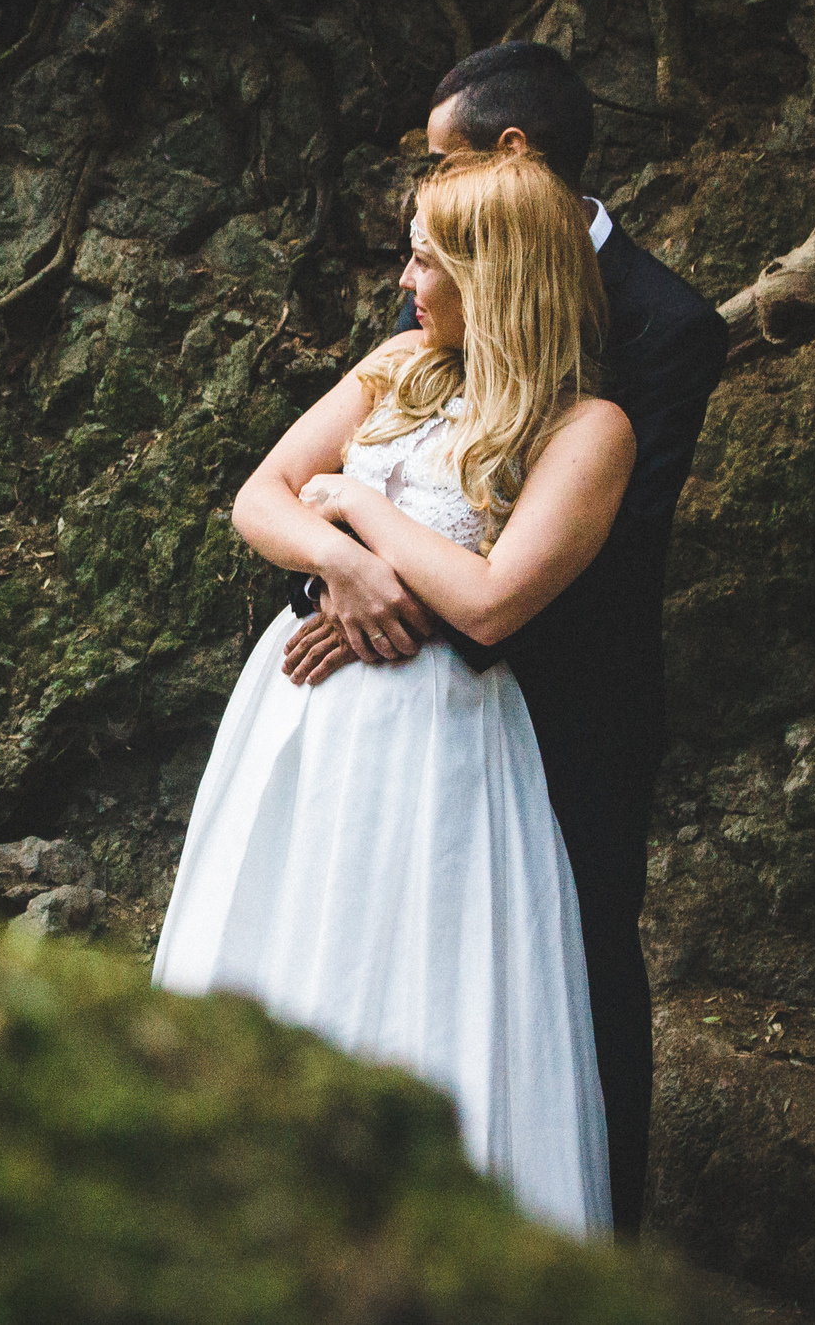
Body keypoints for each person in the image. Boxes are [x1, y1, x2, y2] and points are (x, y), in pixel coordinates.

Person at [280, 41, 731, 1238]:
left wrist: (405, 605)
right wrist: (341, 582)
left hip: (564, 694)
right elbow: (371, 450)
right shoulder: (443, 270)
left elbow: (609, 541)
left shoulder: (666, 324)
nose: (413, 267)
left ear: (511, 157)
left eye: (442, 168)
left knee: (568, 963)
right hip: (386, 672)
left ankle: (585, 1235)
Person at [151, 145, 636, 1238]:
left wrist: (356, 515)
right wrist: (341, 567)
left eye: (425, 261)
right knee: (274, 952)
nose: (404, 282)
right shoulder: (395, 364)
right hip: (297, 720)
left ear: (496, 275)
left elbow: (490, 599)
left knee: (414, 984)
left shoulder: (587, 431)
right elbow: (258, 496)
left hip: (438, 742)